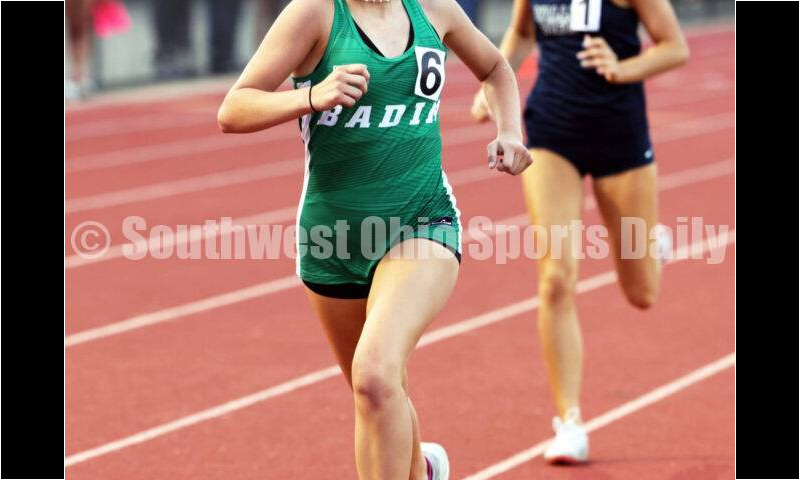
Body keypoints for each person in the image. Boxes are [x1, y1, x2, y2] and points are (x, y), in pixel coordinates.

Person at [218, 0, 532, 477]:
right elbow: (233, 108)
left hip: (423, 221)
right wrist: (309, 96)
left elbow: (494, 67)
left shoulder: (434, 9)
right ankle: (423, 468)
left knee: (374, 373)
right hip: (332, 240)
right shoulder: (315, 13)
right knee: (379, 394)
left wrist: (510, 131)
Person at [471, 0, 688, 464]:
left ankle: (650, 246)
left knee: (642, 291)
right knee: (555, 278)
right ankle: (569, 421)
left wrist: (622, 66)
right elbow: (522, 34)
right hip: (551, 130)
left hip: (620, 137)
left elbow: (675, 48)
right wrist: (494, 78)